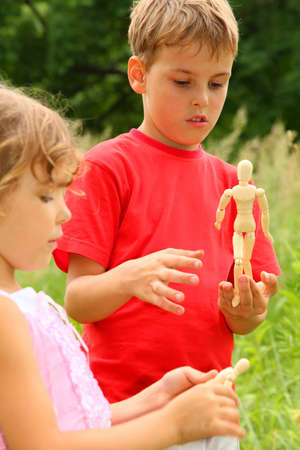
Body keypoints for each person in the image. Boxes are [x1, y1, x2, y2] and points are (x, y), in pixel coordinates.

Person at [54, 0, 280, 418]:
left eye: (217, 84)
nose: (202, 100)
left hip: (207, 406)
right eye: (182, 82)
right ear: (138, 75)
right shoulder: (108, 167)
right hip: (123, 408)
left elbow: (246, 320)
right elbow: (78, 300)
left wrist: (246, 311)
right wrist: (129, 277)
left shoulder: (235, 185)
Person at [0, 83, 246, 449]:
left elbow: (72, 422)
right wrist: (171, 427)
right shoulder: (5, 318)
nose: (65, 213)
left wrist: (154, 399)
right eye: (46, 196)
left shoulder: (19, 305)